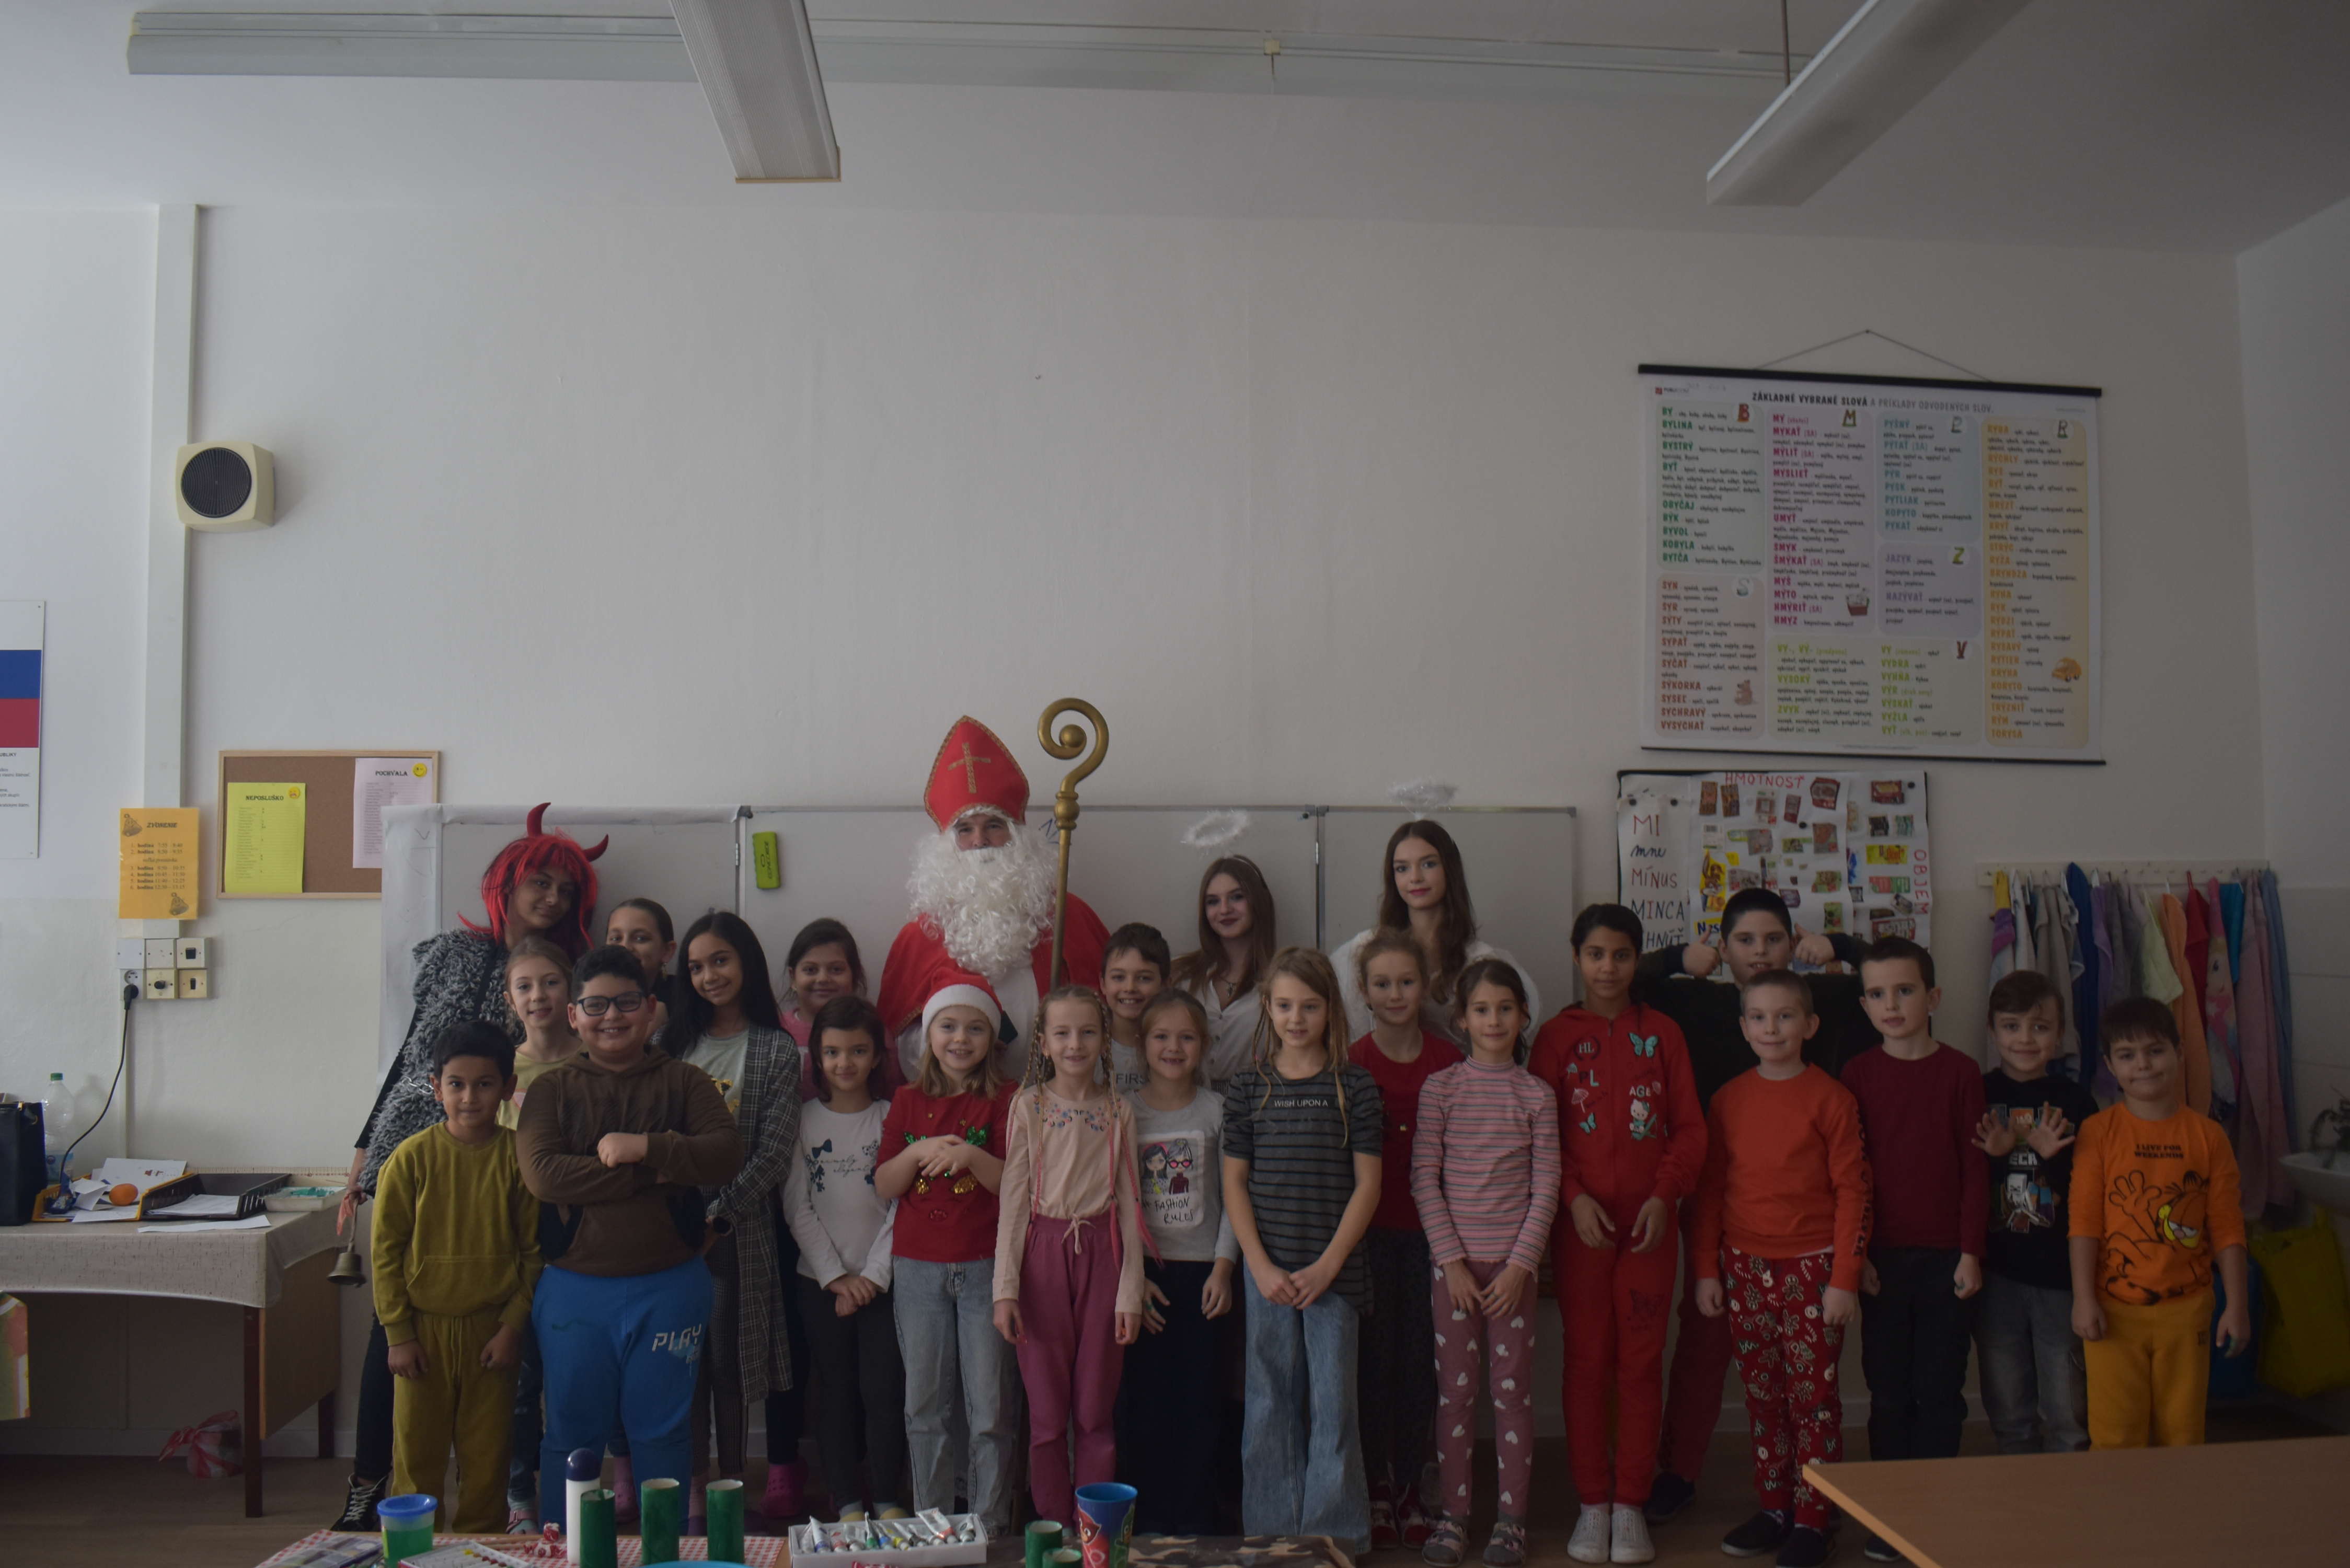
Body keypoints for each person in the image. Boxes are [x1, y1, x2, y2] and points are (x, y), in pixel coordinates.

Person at [332, 804, 604, 1534]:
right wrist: (364, 1152)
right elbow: (410, 1054)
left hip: (504, 1159)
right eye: (540, 883)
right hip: (419, 1144)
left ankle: (497, 1504)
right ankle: (369, 1485)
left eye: (566, 891)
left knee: (501, 1357)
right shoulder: (458, 954)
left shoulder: (565, 977)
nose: (552, 899)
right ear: (506, 884)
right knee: (393, 1333)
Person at [1633, 887, 1877, 1527]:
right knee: (1706, 1345)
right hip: (1721, 1207)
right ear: (1723, 948)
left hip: (1805, 1222)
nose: (1760, 952)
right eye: (1745, 941)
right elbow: (1622, 976)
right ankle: (1682, 1471)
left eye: (1774, 939)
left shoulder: (1820, 997)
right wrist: (1677, 959)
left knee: (1807, 1386)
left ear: (1793, 944)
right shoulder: (1697, 999)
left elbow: (1895, 973)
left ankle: (1812, 1509)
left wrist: (1840, 946)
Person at [516, 943, 744, 1529]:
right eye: (595, 1005)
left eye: (625, 1002)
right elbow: (544, 1175)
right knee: (570, 1435)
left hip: (670, 1288)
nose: (611, 1016)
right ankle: (564, 1555)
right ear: (574, 1015)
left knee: (662, 1432)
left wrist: (646, 1146)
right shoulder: (551, 1090)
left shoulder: (685, 1081)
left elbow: (724, 1153)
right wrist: (654, 1172)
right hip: (573, 1291)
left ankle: (663, 1556)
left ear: (650, 1009)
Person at [1529, 904, 1702, 1567]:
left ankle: (1630, 1502)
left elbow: (1688, 1129)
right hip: (1581, 1231)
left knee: (1639, 1362)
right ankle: (1592, 1502)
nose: (1608, 967)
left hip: (1650, 1231)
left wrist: (1664, 1195)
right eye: (1595, 954)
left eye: (1621, 955)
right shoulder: (1554, 1038)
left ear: (1636, 958)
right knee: (1585, 1362)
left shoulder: (1663, 1034)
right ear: (1576, 956)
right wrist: (1571, 1198)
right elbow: (1541, 1133)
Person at [1691, 971, 1870, 1568]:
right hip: (1743, 1268)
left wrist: (1843, 1278)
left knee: (1811, 1401)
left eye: (1784, 1016)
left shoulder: (1830, 1099)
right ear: (1743, 1028)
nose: (1771, 1028)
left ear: (1809, 1025)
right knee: (1763, 1396)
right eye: (1759, 1017)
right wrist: (1706, 1269)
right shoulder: (1727, 1100)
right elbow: (1709, 1192)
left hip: (1812, 1269)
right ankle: (1774, 1507)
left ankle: (1815, 1518)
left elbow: (1853, 1192)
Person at [1222, 947, 1385, 1553]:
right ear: (1268, 1007)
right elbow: (1234, 1184)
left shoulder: (1353, 1086)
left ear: (1330, 1009)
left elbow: (1368, 1185)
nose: (1296, 1018)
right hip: (1265, 1274)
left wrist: (1328, 1266)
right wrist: (1259, 1265)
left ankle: (1333, 1540)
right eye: (1285, 1006)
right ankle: (1273, 1536)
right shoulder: (1247, 1088)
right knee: (1268, 1403)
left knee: (1333, 1406)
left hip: (1333, 1275)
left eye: (1309, 1006)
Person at [1409, 961, 1560, 1568]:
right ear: (1461, 1019)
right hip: (1453, 1273)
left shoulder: (1535, 1095)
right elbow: (1423, 1180)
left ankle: (1511, 1523)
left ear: (1522, 1016)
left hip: (1511, 1274)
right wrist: (1450, 1263)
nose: (1493, 1020)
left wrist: (1521, 1266)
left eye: (1504, 1008)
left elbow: (1546, 1186)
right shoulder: (1440, 1090)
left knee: (1511, 1395)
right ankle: (1454, 1517)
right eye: (1480, 1009)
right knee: (1454, 1395)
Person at [1842, 937, 1986, 1563]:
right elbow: (1850, 1173)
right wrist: (1858, 1256)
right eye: (1877, 994)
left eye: (1904, 990)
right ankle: (1891, 1513)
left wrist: (1970, 1251)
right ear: (1863, 1005)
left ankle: (1931, 1512)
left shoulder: (1960, 1072)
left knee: (1939, 1390)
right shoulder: (1855, 1075)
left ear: (1932, 997)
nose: (1891, 1004)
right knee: (1888, 1392)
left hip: (1947, 1258)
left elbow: (1974, 1169)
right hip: (1882, 1261)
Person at [373, 1021, 543, 1534]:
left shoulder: (518, 1159)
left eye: (484, 1084)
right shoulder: (410, 1159)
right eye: (457, 1084)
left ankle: (482, 1549)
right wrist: (398, 1334)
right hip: (422, 1335)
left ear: (508, 1088)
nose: (470, 1098)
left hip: (492, 1335)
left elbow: (534, 1253)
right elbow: (385, 1254)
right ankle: (413, 1554)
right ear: (436, 1087)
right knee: (416, 1458)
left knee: (487, 1459)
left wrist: (512, 1326)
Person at [876, 716, 1111, 1084]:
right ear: (946, 845)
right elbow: (894, 1042)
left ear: (1017, 836)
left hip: (1053, 1099)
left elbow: (1111, 1014)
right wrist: (957, 1049)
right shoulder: (920, 936)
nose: (979, 841)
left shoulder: (1069, 916)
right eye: (965, 829)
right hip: (960, 1103)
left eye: (994, 826)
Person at [667, 912, 802, 1530]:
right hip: (670, 1233)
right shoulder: (670, 1044)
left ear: (746, 961)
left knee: (729, 1366)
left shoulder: (776, 1048)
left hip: (738, 1231)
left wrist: (716, 1219)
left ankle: (728, 1490)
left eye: (719, 961)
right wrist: (683, 1222)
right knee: (683, 1365)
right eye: (696, 967)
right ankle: (693, 1492)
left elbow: (773, 1153)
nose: (708, 976)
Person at [993, 987, 1147, 1525]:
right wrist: (1005, 1290)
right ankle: (1054, 1528)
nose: (1075, 1044)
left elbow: (1130, 1204)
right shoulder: (1029, 1106)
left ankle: (1096, 1529)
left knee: (1094, 1410)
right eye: (1062, 1033)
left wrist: (1130, 1292)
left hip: (1103, 1256)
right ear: (1043, 1042)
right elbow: (1014, 1200)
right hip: (1041, 1259)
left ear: (1104, 1040)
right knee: (1046, 1415)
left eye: (1087, 1032)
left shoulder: (1119, 1109)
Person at [2069, 997, 2251, 1449]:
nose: (2143, 1065)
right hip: (2113, 1313)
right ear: (2110, 1066)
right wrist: (2084, 1299)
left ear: (2179, 1052)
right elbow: (2084, 1222)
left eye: (2155, 1051)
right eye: (2127, 1055)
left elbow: (2228, 1227)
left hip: (2187, 1312)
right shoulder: (2098, 1132)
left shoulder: (2209, 1137)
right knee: (2115, 1438)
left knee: (2183, 1436)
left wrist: (2238, 1305)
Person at [876, 976, 1020, 1532]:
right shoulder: (907, 1101)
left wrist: (969, 1157)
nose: (960, 1039)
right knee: (925, 1408)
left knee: (990, 1409)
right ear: (928, 1035)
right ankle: (931, 1525)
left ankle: (990, 1524)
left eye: (975, 1028)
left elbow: (1016, 1184)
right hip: (917, 1269)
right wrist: (922, 1153)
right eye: (948, 1026)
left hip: (986, 1268)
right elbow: (885, 1184)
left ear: (992, 1039)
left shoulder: (1006, 1099)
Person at [1345, 930, 1459, 1548]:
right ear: (1363, 992)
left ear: (1425, 987)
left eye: (1406, 982)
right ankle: (1375, 1488)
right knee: (1372, 1364)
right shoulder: (1351, 1062)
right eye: (1382, 983)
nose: (1395, 994)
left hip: (1433, 1240)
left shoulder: (1448, 1061)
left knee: (1420, 1364)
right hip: (1366, 1238)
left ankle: (1415, 1486)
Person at [781, 995, 908, 1521]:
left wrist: (872, 1277)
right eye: (833, 1052)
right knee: (834, 1393)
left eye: (858, 1051)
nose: (845, 1063)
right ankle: (847, 1501)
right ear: (817, 1057)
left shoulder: (892, 1117)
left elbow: (903, 1207)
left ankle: (887, 1497)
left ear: (877, 1056)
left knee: (884, 1392)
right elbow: (797, 1207)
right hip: (819, 1283)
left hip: (885, 1284)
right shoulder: (802, 1120)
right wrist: (835, 1277)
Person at [1118, 988, 1239, 1534]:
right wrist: (1132, 1277)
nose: (1173, 1047)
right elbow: (1117, 1199)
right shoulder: (1125, 1111)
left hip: (1203, 1277)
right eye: (1161, 1037)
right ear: (1141, 1045)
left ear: (1205, 1046)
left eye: (1187, 1037)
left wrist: (1223, 1267)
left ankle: (1193, 1521)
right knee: (1145, 1405)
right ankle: (1147, 1522)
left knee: (1197, 1402)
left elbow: (1235, 1198)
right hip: (1143, 1277)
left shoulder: (1217, 1111)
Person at [1972, 971, 2098, 1455]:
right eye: (2012, 1026)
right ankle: (2018, 1485)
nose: (2025, 1038)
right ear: (1992, 1030)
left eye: (2040, 1027)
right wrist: (1996, 1156)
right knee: (2008, 1405)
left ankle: (2071, 1488)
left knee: (2068, 1406)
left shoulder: (2075, 1101)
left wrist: (2053, 1160)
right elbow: (1963, 1183)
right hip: (1996, 1273)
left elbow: (2090, 1193)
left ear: (2060, 1034)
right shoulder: (1977, 1093)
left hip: (2059, 1276)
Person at [494, 936, 581, 1530]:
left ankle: (580, 1493)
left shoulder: (595, 1058)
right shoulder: (501, 1072)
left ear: (570, 989)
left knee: (577, 1384)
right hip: (517, 1246)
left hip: (583, 1244)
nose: (538, 996)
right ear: (510, 999)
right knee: (521, 1386)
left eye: (550, 982)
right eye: (524, 986)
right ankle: (518, 1496)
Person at [1330, 821, 1538, 1046]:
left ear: (1451, 868)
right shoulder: (1364, 948)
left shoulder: (1479, 960)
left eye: (1429, 864)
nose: (1415, 877)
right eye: (1402, 868)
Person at [1172, 856, 1280, 1087]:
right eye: (1213, 901)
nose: (1224, 909)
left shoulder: (1282, 979)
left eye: (1237, 897)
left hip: (1257, 1101)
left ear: (1258, 901)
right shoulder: (1180, 974)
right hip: (1187, 1100)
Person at [1103, 923, 1171, 1096]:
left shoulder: (1179, 1047)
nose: (1130, 988)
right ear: (1103, 984)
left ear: (1166, 985)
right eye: (1119, 977)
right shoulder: (1087, 1046)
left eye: (1144, 978)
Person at [607, 897, 681, 1033]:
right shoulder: (591, 992)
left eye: (640, 938)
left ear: (667, 951)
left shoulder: (685, 995)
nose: (626, 947)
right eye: (616, 939)